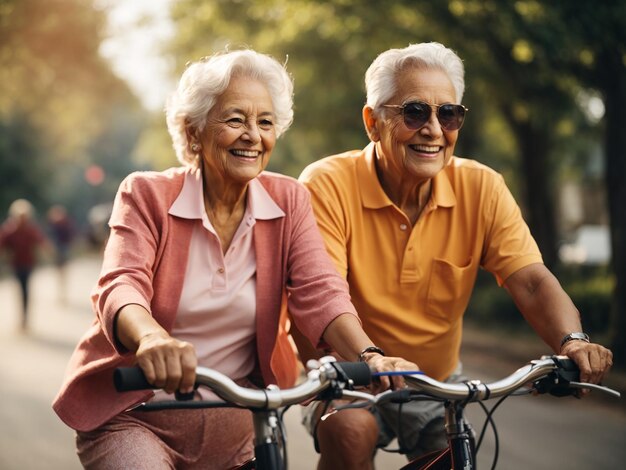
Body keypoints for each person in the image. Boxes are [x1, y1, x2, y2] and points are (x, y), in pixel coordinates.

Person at [52, 49, 416, 470]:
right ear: (194, 132)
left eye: (265, 122)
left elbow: (321, 291)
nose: (253, 135)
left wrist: (370, 354)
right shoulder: (147, 194)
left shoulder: (289, 200)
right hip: (135, 417)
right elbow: (121, 284)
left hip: (239, 427)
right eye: (235, 119)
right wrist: (152, 338)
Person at [294, 42, 614, 469]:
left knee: (455, 453)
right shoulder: (326, 183)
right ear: (373, 122)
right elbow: (324, 293)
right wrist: (371, 358)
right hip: (347, 376)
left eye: (448, 114)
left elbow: (531, 281)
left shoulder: (482, 187)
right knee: (350, 432)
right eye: (414, 112)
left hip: (435, 381)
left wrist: (572, 341)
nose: (433, 129)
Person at [0, 198, 48, 331]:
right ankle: (22, 318)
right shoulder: (10, 229)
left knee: (25, 290)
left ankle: (25, 318)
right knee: (20, 289)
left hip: (28, 263)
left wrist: (45, 252)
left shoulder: (31, 229)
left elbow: (41, 242)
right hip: (16, 264)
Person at [46, 205, 76, 303]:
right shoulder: (53, 225)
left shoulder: (65, 224)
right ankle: (61, 293)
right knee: (60, 272)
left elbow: (71, 236)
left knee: (62, 272)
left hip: (63, 249)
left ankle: (63, 293)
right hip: (57, 249)